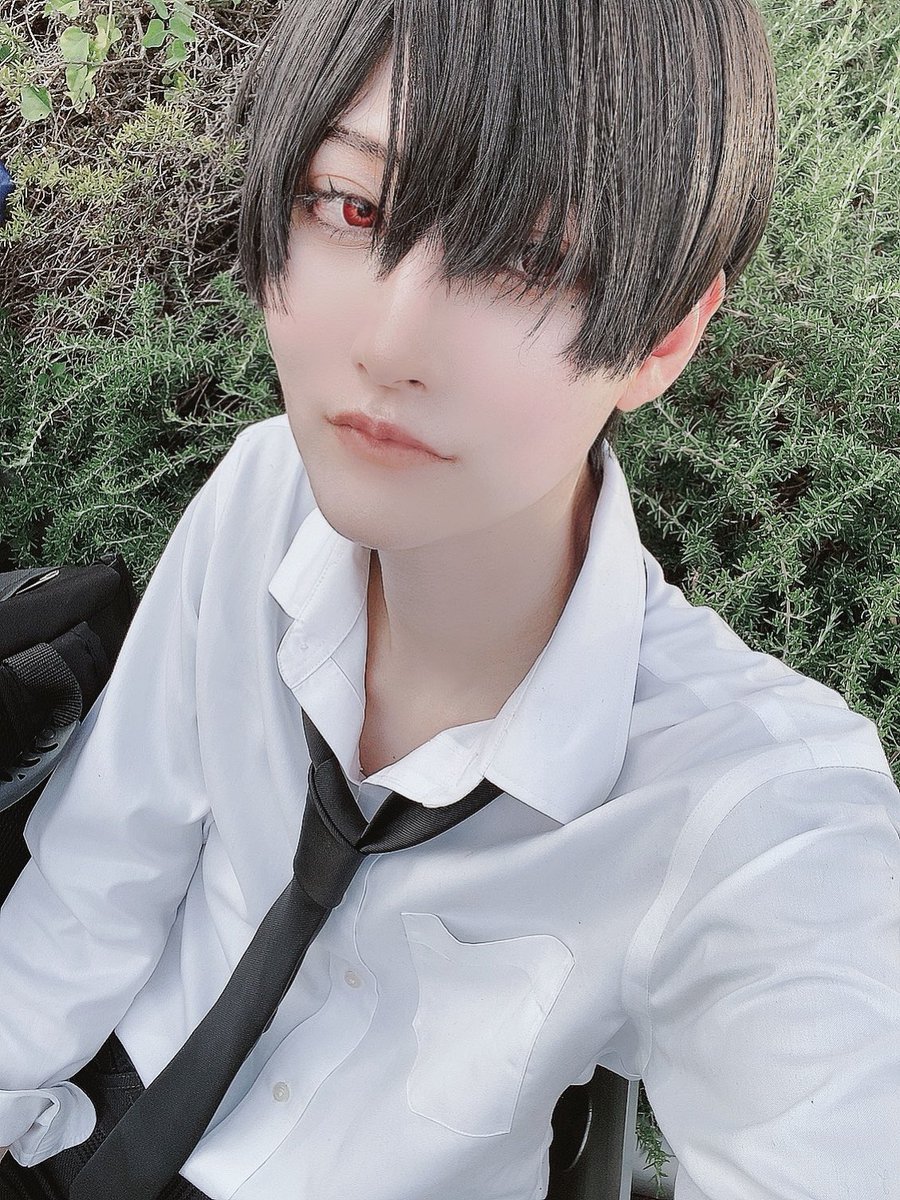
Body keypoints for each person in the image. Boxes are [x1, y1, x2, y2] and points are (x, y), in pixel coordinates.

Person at [1, 0, 899, 1197]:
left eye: (534, 258)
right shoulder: (265, 492)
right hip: (75, 1126)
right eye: (351, 206)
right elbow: (100, 877)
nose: (390, 341)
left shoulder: (761, 807)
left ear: (666, 338)